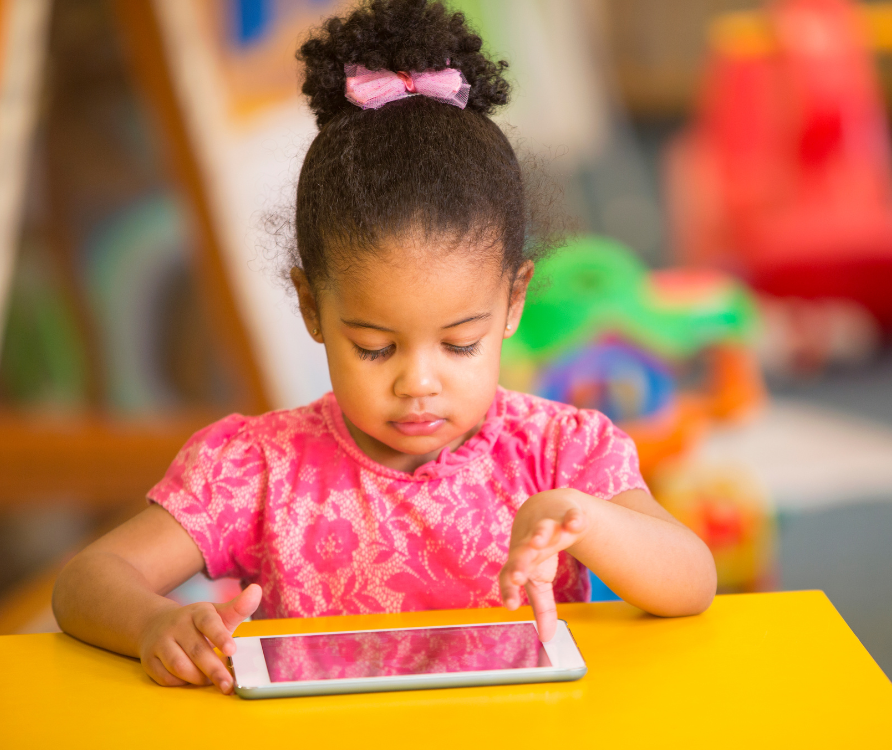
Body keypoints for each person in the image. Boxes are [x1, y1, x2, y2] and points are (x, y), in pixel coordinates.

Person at [51, 0, 716, 696]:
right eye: (374, 348)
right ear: (312, 305)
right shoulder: (257, 469)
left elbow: (691, 581)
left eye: (460, 344)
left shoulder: (559, 453)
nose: (417, 383)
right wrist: (155, 624)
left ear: (514, 302)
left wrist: (588, 520)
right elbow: (87, 581)